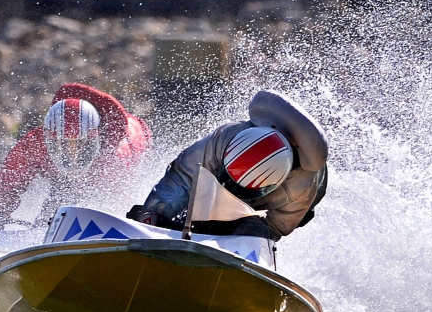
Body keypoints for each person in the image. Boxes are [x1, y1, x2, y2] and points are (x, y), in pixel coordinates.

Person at [128, 90, 328, 240]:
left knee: (251, 231)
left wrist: (246, 240)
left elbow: (276, 227)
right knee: (169, 209)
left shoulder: (300, 189)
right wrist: (153, 216)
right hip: (222, 170)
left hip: (292, 200)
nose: (233, 192)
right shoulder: (223, 138)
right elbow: (181, 178)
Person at [0, 83, 151, 229]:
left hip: (138, 138)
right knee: (48, 221)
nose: (73, 155)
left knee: (88, 218)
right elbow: (9, 180)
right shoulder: (35, 144)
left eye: (81, 144)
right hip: (64, 181)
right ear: (49, 138)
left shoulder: (116, 156)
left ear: (96, 138)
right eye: (63, 145)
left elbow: (120, 207)